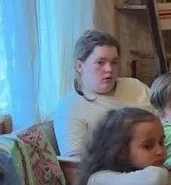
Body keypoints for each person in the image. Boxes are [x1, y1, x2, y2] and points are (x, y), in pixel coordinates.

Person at [54, 30, 153, 158]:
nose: (109, 69)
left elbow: (166, 119)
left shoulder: (135, 86)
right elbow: (74, 162)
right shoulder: (70, 107)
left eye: (114, 62)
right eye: (100, 62)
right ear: (79, 66)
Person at [73, 108, 170, 185]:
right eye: (147, 146)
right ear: (120, 152)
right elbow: (156, 178)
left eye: (161, 142)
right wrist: (162, 169)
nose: (160, 151)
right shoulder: (100, 180)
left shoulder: (135, 170)